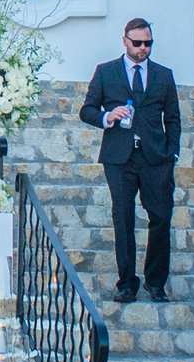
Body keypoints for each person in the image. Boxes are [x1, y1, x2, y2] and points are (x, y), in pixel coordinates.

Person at [78, 17, 182, 302]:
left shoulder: (163, 75)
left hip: (156, 158)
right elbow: (86, 110)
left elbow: (173, 117)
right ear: (125, 41)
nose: (143, 49)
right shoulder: (106, 72)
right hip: (119, 157)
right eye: (137, 43)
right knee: (123, 217)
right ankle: (126, 283)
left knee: (160, 217)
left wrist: (172, 151)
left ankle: (156, 282)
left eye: (148, 43)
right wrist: (107, 117)